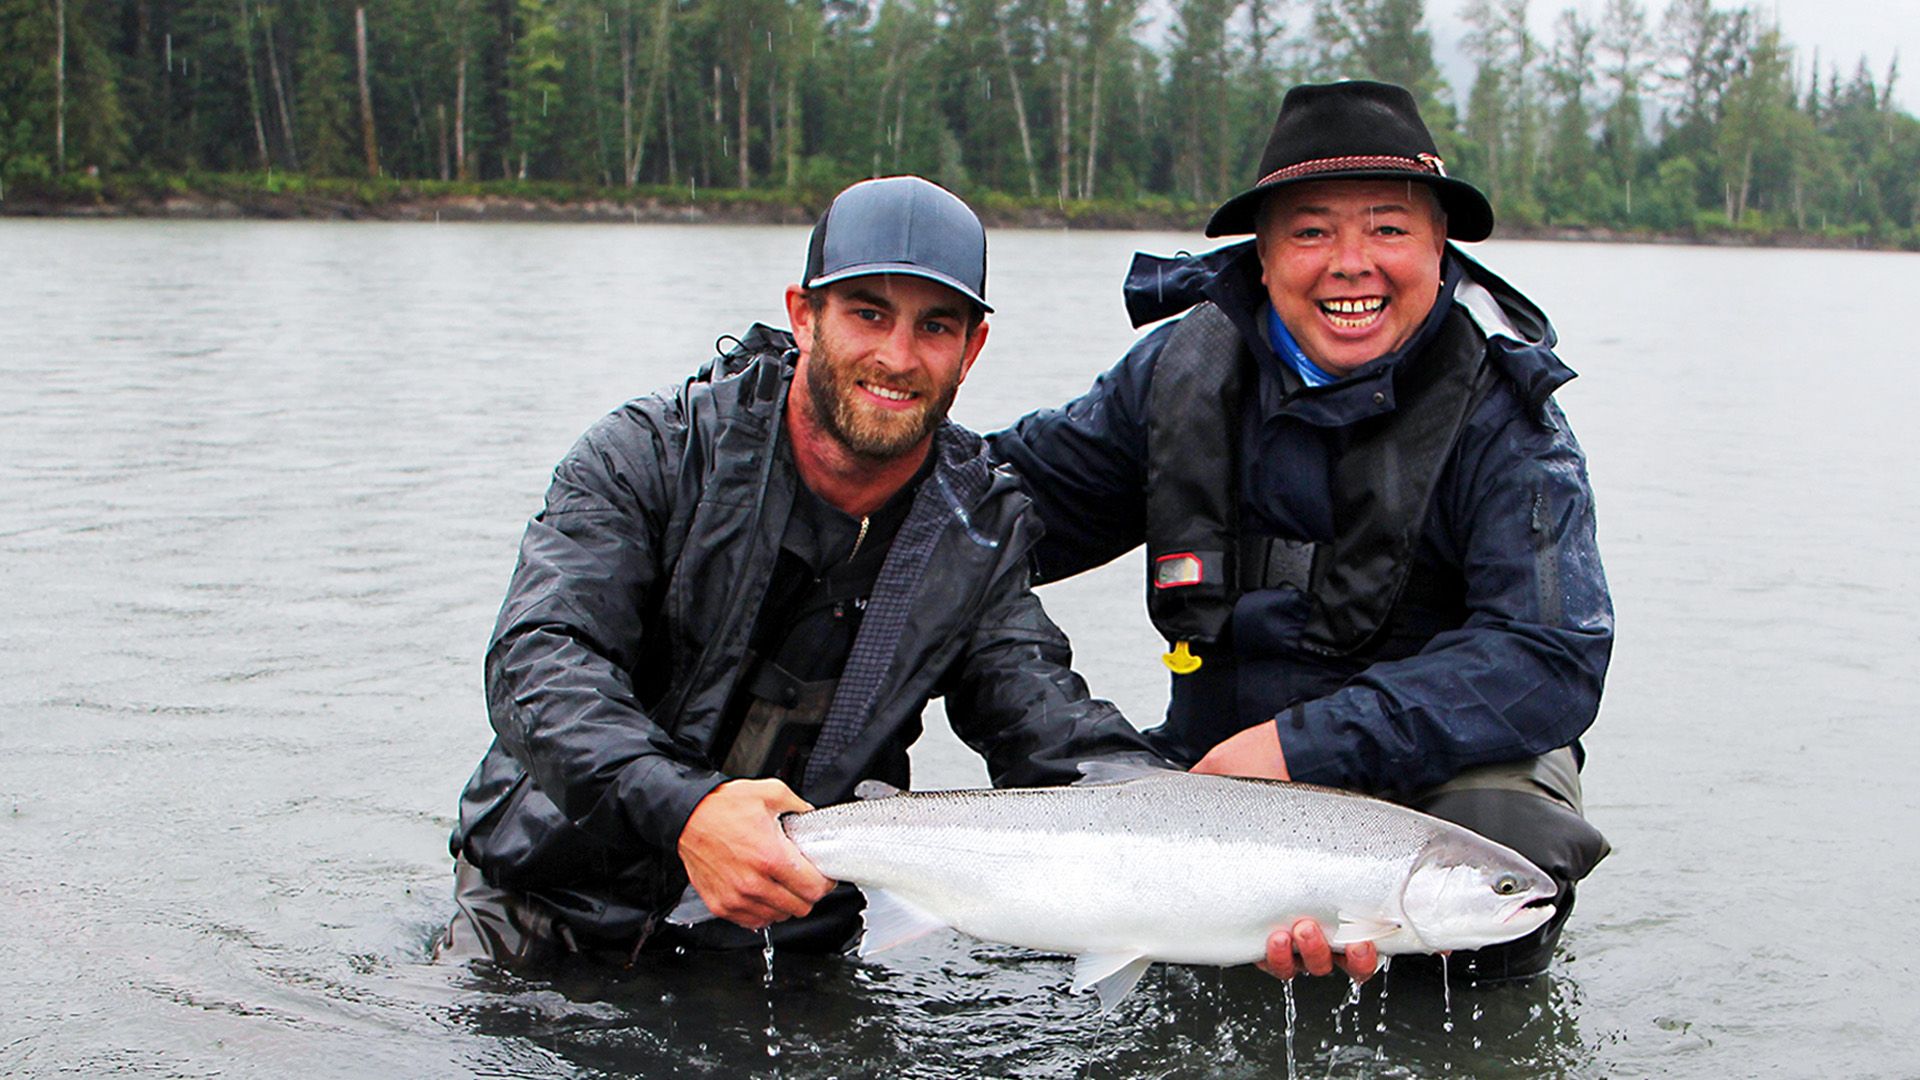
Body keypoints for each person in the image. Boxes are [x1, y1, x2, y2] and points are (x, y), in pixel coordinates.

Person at [439, 176, 1163, 967]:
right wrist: (689, 811)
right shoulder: (646, 454)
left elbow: (1054, 732)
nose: (897, 356)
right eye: (868, 313)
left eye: (935, 326)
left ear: (972, 348)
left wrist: (1230, 860)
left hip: (774, 945)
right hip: (544, 901)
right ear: (803, 315)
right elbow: (539, 662)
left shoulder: (979, 534)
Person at [989, 81, 1614, 982]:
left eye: (1389, 229)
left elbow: (1551, 657)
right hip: (1218, 789)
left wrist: (1298, 751)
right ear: (1266, 253)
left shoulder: (1511, 422)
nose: (1350, 263)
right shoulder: (1177, 374)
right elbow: (1000, 509)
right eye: (1312, 230)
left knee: (1508, 869)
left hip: (1436, 794)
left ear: (1441, 247)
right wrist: (852, 440)